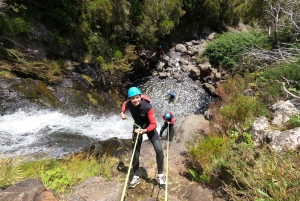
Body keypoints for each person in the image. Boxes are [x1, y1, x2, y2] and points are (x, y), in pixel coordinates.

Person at [120, 87, 166, 189]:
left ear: (140, 97)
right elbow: (124, 104)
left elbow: (154, 124)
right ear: (130, 99)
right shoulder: (128, 103)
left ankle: (160, 176)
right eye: (133, 98)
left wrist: (145, 131)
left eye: (137, 97)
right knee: (135, 152)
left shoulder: (147, 107)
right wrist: (122, 112)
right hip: (137, 127)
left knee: (159, 150)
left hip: (149, 128)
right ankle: (136, 176)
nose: (135, 100)